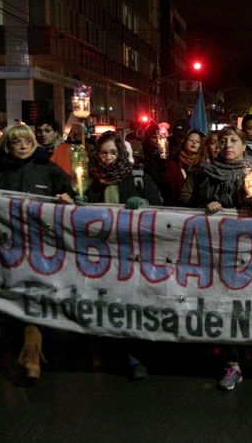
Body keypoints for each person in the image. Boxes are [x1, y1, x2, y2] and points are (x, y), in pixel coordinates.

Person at [0, 124, 74, 384]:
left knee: (33, 300)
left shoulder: (48, 170)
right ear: (7, 145)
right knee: (14, 303)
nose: (22, 147)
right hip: (7, 250)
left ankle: (32, 360)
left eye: (27, 142)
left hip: (40, 249)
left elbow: (70, 193)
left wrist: (67, 198)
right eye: (16, 142)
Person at [189, 126, 252, 390]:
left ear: (243, 145)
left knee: (250, 303)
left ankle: (250, 349)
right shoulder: (206, 173)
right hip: (221, 251)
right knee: (226, 303)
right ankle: (232, 362)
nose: (228, 144)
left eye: (233, 140)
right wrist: (207, 205)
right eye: (223, 140)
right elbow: (187, 206)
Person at [87, 131, 162, 379]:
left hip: (133, 251)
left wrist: (143, 203)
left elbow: (158, 203)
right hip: (103, 252)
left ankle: (135, 355)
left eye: (113, 152)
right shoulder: (92, 179)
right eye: (103, 152)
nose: (107, 157)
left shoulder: (137, 175)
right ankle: (112, 350)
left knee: (133, 302)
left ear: (121, 153)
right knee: (110, 301)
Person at [163, 130, 204, 205]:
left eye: (197, 141)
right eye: (191, 140)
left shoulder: (203, 164)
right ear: (184, 142)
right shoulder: (174, 163)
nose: (194, 142)